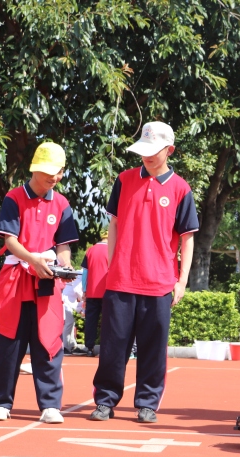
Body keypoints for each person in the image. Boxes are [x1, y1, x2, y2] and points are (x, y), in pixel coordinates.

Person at [89, 122, 199, 423]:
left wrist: (182, 281)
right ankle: (105, 400)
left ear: (169, 150)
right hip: (121, 280)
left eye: (155, 151)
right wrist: (113, 264)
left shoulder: (180, 188)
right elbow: (113, 224)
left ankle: (147, 402)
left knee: (153, 348)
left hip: (160, 283)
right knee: (113, 346)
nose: (147, 156)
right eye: (144, 150)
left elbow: (188, 237)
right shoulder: (124, 180)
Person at [0, 142, 79, 423]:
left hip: (47, 281)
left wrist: (64, 265)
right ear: (35, 168)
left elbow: (63, 245)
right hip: (16, 279)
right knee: (9, 341)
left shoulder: (62, 204)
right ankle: (1, 402)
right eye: (50, 171)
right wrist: (32, 259)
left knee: (49, 340)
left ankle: (50, 405)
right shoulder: (14, 198)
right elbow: (10, 240)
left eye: (60, 171)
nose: (55, 177)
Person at [73, 231, 109, 356]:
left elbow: (85, 273)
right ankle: (106, 347)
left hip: (92, 291)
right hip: (107, 291)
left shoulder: (90, 251)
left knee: (91, 320)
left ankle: (89, 347)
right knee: (107, 321)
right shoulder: (112, 250)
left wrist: (84, 289)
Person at [61, 271, 83, 354]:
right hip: (65, 302)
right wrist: (85, 299)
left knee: (71, 323)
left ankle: (72, 345)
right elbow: (77, 290)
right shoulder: (80, 274)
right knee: (69, 323)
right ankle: (65, 346)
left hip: (69, 303)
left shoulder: (80, 274)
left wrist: (80, 309)